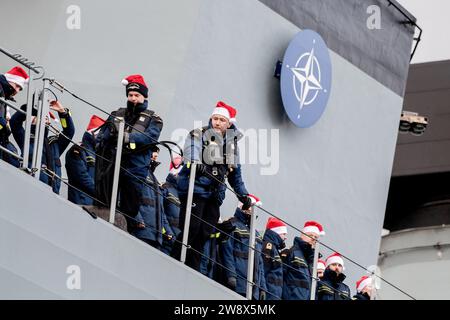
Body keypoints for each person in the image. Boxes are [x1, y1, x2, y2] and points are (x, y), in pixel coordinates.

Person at [173, 101, 253, 271]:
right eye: (215, 118)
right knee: (191, 228)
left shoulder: (231, 146)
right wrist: (195, 162)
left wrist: (243, 195)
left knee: (205, 232)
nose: (217, 122)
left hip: (214, 195)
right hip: (195, 189)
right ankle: (175, 259)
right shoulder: (198, 134)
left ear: (229, 123)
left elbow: (235, 174)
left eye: (221, 120)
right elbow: (191, 150)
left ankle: (191, 268)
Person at [95, 74, 163, 224]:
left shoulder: (154, 119)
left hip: (135, 168)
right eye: (130, 95)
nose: (133, 98)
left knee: (130, 207)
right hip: (112, 164)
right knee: (104, 201)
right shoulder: (117, 114)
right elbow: (102, 135)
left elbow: (150, 137)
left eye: (136, 95)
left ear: (144, 96)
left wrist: (127, 137)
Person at [10, 100, 75, 194]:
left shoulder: (54, 144)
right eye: (41, 117)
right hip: (31, 187)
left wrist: (62, 112)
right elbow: (15, 122)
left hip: (53, 192)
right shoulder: (26, 138)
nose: (45, 119)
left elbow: (69, 131)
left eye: (46, 118)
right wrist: (30, 109)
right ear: (32, 121)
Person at [220, 195, 267, 300]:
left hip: (253, 290)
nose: (253, 212)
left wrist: (262, 287)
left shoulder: (257, 235)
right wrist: (231, 275)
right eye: (251, 209)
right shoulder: (232, 225)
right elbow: (227, 252)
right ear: (243, 207)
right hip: (238, 284)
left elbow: (260, 263)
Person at [131, 146, 176, 250]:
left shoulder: (155, 180)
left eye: (157, 156)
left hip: (156, 237)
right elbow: (130, 197)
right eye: (154, 154)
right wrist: (137, 219)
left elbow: (161, 211)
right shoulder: (139, 172)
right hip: (141, 231)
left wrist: (168, 232)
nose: (156, 157)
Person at [66, 115, 106, 205]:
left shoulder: (100, 156)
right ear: (94, 133)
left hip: (95, 204)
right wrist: (101, 193)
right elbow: (82, 176)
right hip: (81, 202)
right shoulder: (78, 150)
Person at [282, 220, 325, 300]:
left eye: (316, 237)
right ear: (302, 235)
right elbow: (281, 277)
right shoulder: (291, 252)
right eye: (310, 235)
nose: (313, 239)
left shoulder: (312, 261)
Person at [0, 66, 28, 166]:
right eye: (17, 85)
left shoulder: (3, 97)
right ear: (10, 79)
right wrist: (4, 126)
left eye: (20, 89)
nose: (16, 91)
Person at [160, 155, 183, 255]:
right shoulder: (166, 188)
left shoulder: (184, 195)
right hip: (167, 240)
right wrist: (168, 234)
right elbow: (160, 212)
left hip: (178, 243)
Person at [262, 217, 288, 300]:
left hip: (274, 294)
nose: (285, 237)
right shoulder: (268, 247)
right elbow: (263, 269)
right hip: (269, 293)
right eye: (284, 234)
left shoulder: (275, 249)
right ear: (276, 233)